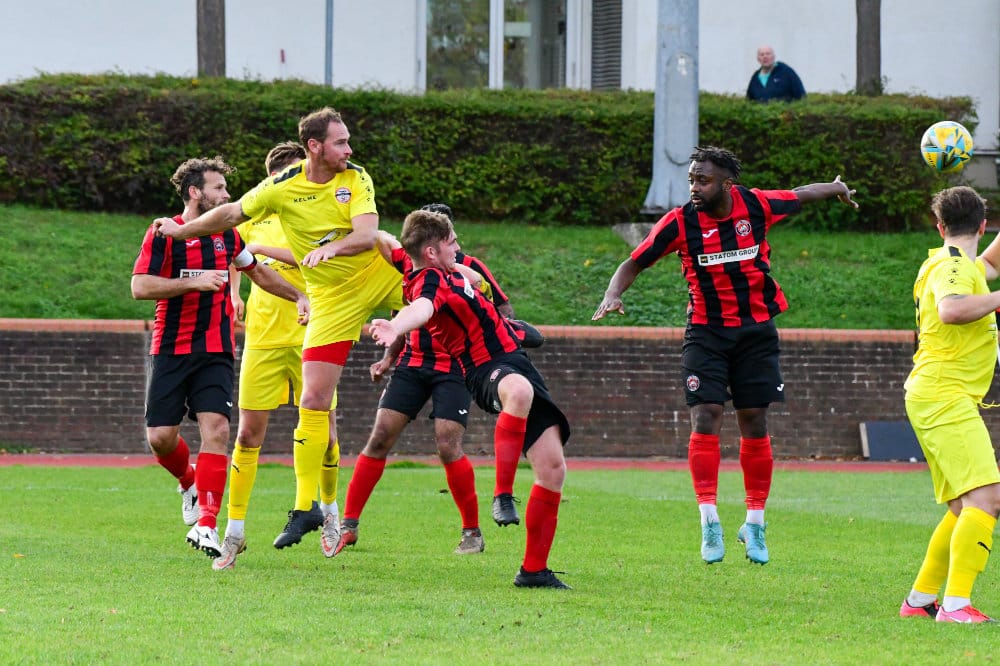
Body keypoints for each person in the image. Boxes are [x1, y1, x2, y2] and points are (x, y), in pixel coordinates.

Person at [154, 107, 405, 556]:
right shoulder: (276, 194)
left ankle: (322, 507)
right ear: (313, 147)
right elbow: (234, 228)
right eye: (341, 142)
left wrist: (328, 254)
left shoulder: (355, 178)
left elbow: (367, 235)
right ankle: (247, 526)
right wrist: (184, 233)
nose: (349, 150)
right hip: (296, 321)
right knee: (272, 423)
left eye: (348, 141)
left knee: (433, 283)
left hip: (362, 282)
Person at [592, 146, 857, 565]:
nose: (694, 187)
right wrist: (613, 293)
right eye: (691, 180)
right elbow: (634, 262)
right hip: (707, 332)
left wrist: (837, 188)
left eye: (703, 180)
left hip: (756, 331)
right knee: (706, 414)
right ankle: (709, 520)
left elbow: (801, 194)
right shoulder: (679, 222)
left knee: (754, 420)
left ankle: (755, 523)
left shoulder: (756, 205)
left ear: (727, 184)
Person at [369, 209, 571, 588]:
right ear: (431, 252)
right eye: (452, 242)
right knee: (519, 392)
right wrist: (395, 325)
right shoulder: (429, 279)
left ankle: (533, 571)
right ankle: (503, 495)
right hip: (485, 369)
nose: (458, 247)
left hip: (516, 362)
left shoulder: (448, 271)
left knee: (553, 468)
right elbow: (422, 307)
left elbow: (387, 240)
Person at [132, 156, 309, 558]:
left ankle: (208, 525)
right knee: (160, 439)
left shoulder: (227, 236)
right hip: (170, 347)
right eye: (219, 188)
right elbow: (140, 287)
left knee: (217, 430)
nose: (227, 195)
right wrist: (192, 282)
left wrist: (298, 295)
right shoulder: (164, 232)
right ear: (195, 192)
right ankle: (189, 483)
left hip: (216, 349)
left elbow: (257, 271)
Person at [335, 202, 534, 558]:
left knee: (447, 444)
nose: (454, 244)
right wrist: (389, 357)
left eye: (453, 238)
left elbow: (499, 307)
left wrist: (500, 340)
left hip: (455, 367)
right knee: (379, 437)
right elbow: (407, 299)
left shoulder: (469, 269)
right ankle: (348, 526)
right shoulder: (414, 265)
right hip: (413, 363)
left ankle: (471, 532)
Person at [212, 141, 343, 569]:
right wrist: (235, 293)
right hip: (264, 336)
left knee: (327, 434)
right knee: (247, 435)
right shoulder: (255, 215)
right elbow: (234, 253)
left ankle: (329, 512)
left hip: (314, 333)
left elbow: (316, 259)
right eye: (287, 175)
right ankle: (234, 532)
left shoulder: (319, 213)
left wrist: (262, 253)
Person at [899, 186, 1000, 623]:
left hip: (935, 394)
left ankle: (920, 601)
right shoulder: (955, 267)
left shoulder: (950, 262)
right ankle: (956, 605)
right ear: (983, 225)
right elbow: (952, 311)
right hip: (944, 395)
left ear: (940, 227)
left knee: (963, 506)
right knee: (988, 498)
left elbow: (990, 264)